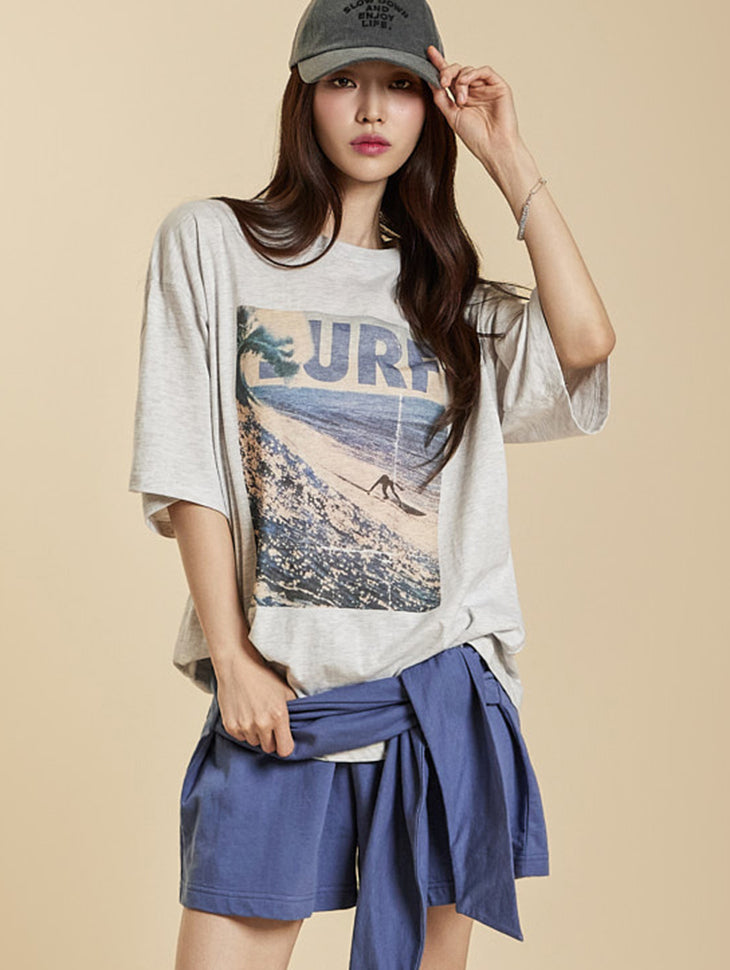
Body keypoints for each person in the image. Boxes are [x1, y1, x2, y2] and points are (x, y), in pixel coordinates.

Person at [127, 1, 615, 968]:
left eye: (400, 86)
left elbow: (586, 343)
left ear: (430, 107)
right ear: (304, 96)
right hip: (283, 701)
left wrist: (508, 159)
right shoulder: (213, 244)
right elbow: (188, 466)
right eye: (344, 81)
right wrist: (232, 657)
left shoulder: (452, 298)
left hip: (435, 705)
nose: (371, 110)